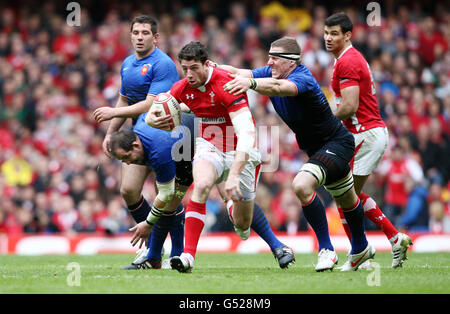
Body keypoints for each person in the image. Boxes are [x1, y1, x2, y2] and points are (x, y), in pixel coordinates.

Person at [216, 36, 374, 271]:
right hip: (319, 149)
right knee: (346, 198)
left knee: (301, 185)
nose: (269, 62)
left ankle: (327, 250)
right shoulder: (274, 73)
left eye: (274, 58)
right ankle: (361, 249)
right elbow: (239, 71)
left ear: (290, 62)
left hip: (336, 143)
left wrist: (251, 85)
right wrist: (208, 69)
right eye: (268, 57)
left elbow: (281, 88)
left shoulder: (301, 77)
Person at [143, 40, 266, 273]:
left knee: (242, 225)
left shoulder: (226, 84)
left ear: (206, 64)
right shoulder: (182, 88)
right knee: (201, 185)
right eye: (184, 68)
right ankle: (187, 256)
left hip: (240, 150)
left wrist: (234, 175)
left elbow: (247, 135)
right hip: (209, 145)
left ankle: (232, 207)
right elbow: (154, 113)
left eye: (194, 68)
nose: (188, 74)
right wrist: (156, 121)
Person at [323, 12, 412, 268]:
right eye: (326, 33)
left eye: (334, 33)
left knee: (343, 195)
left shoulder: (348, 61)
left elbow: (349, 106)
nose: (328, 38)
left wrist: (324, 119)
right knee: (347, 194)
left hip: (364, 133)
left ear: (348, 35)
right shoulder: (346, 58)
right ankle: (394, 238)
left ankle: (359, 253)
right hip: (364, 133)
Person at [92, 15, 181, 269]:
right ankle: (153, 250)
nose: (140, 37)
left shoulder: (162, 64)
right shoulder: (128, 64)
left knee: (169, 196)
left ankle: (176, 253)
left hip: (164, 135)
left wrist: (113, 113)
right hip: (136, 139)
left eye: (145, 33)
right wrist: (111, 133)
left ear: (156, 37)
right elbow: (124, 99)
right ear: (130, 35)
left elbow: (151, 103)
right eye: (136, 32)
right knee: (128, 190)